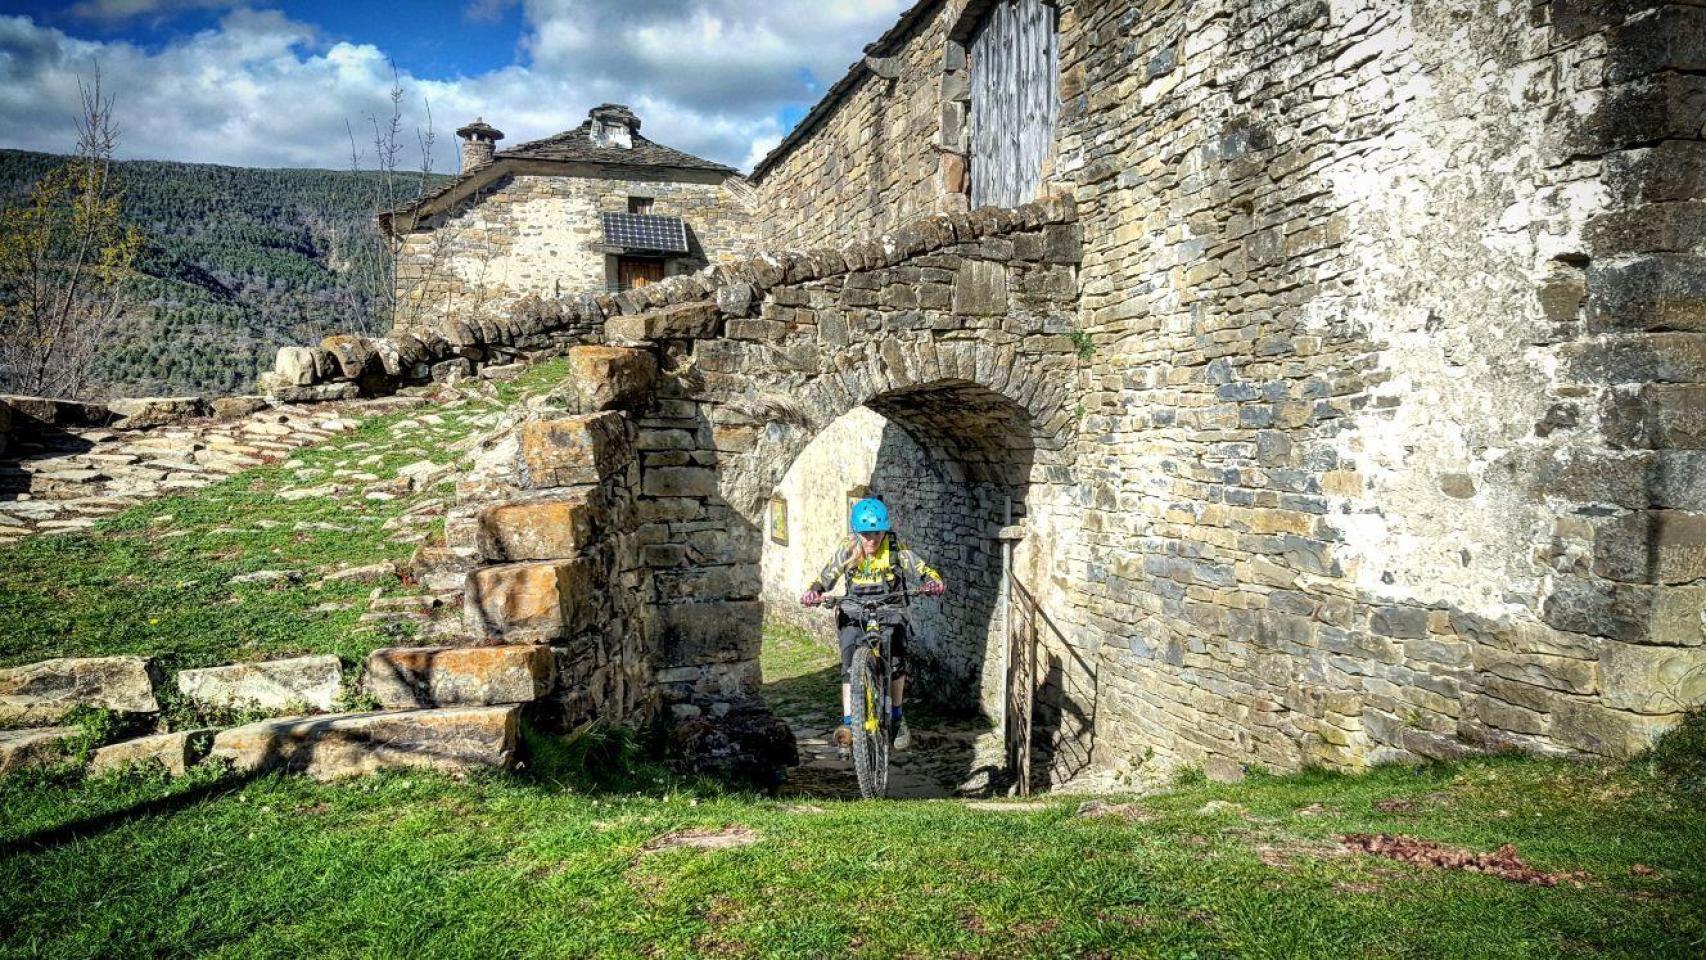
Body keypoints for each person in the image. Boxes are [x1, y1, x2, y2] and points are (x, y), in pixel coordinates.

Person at [799, 497, 946, 753]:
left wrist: (933, 582)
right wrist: (814, 592)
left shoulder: (895, 546)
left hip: (890, 607)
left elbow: (922, 569)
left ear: (884, 530)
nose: (871, 540)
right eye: (866, 534)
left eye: (876, 533)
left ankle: (898, 717)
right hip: (855, 608)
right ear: (857, 532)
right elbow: (826, 577)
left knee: (897, 659)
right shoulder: (848, 547)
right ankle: (848, 723)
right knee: (848, 663)